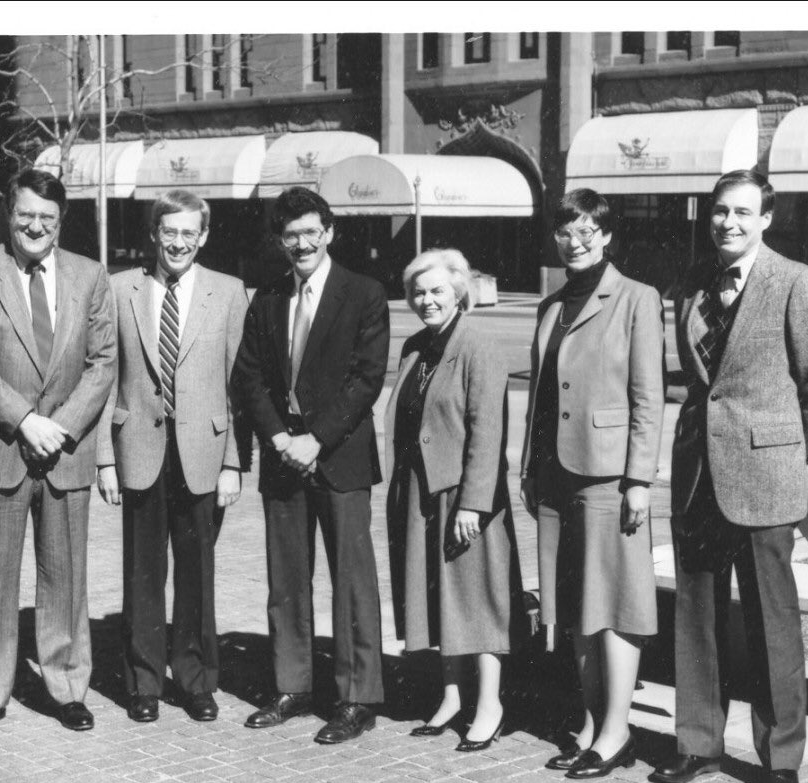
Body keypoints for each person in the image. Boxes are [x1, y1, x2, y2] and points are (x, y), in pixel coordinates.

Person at [650, 170, 808, 783]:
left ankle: (780, 756)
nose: (727, 223)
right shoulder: (694, 284)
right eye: (719, 212)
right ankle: (698, 743)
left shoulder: (796, 283)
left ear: (766, 219)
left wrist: (787, 455)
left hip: (766, 479)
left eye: (742, 212)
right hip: (697, 474)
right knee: (697, 615)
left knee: (771, 621)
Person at [0, 168, 116, 736]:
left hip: (64, 452)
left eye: (47, 217)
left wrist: (59, 427)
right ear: (7, 213)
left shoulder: (91, 276)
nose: (35, 226)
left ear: (61, 221)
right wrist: (25, 421)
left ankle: (66, 685)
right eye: (26, 214)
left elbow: (102, 364)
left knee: (64, 575)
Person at [232, 186, 389, 744]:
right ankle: (292, 685)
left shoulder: (364, 293)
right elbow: (248, 375)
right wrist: (278, 436)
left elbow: (366, 379)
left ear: (329, 232)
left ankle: (356, 696)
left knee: (352, 582)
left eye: (310, 232)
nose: (301, 243)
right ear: (280, 240)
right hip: (283, 461)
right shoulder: (268, 297)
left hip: (339, 460)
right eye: (290, 234)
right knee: (287, 582)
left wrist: (315, 439)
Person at [520, 189, 664, 779]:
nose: (574, 242)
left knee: (614, 605)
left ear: (605, 235)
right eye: (564, 232)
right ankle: (589, 719)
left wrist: (639, 480)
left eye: (586, 232)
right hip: (554, 474)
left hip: (609, 477)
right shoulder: (549, 306)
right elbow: (540, 396)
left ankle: (616, 730)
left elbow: (647, 396)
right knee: (572, 606)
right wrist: (528, 467)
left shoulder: (636, 298)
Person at [95, 189, 249, 724]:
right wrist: (103, 460)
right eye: (170, 232)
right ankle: (142, 681)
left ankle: (195, 679)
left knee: (196, 574)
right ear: (154, 234)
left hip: (203, 452)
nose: (178, 242)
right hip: (137, 447)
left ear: (203, 236)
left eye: (190, 233)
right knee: (142, 573)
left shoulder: (229, 293)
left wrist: (232, 462)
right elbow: (103, 378)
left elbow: (238, 385)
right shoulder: (119, 290)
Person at [385, 249, 518, 752]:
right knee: (438, 597)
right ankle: (451, 696)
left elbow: (488, 430)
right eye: (418, 292)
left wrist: (472, 503)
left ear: (459, 291)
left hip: (463, 494)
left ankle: (489, 706)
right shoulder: (416, 346)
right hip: (421, 489)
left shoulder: (479, 345)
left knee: (475, 599)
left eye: (437, 290)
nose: (426, 300)